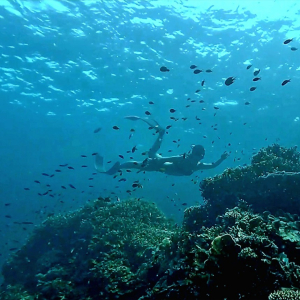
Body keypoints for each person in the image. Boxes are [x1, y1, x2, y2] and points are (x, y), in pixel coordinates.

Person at [95, 116, 229, 176]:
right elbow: (165, 160)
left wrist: (222, 159)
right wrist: (155, 162)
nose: (197, 159)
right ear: (192, 153)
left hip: (165, 168)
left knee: (151, 155)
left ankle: (161, 133)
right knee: (147, 162)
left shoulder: (198, 165)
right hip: (162, 166)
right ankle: (120, 166)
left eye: (200, 157)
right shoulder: (182, 158)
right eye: (196, 156)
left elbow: (213, 165)